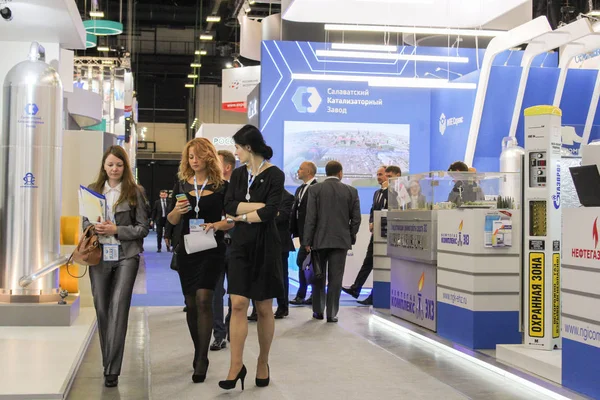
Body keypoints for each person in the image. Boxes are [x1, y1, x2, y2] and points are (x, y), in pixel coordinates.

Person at [220, 125, 285, 391]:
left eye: (237, 147)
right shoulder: (237, 175)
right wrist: (257, 208)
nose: (235, 153)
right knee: (237, 303)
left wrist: (242, 215)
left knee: (263, 308)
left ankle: (262, 361)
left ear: (248, 147)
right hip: (239, 245)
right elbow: (228, 205)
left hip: (266, 246)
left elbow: (271, 213)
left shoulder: (275, 175)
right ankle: (236, 365)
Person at [167, 138, 234, 384]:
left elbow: (233, 219)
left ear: (209, 157)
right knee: (191, 304)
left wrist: (217, 224)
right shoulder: (182, 185)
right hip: (187, 250)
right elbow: (172, 221)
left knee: (205, 298)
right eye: (190, 157)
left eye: (198, 156)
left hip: (212, 249)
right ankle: (198, 350)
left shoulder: (223, 187)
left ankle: (202, 358)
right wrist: (177, 211)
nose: (194, 161)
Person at [83, 145, 149, 388]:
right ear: (104, 165)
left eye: (119, 165)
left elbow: (143, 228)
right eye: (110, 164)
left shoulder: (135, 192)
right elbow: (84, 224)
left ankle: (112, 370)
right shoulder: (92, 190)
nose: (114, 169)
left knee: (118, 309)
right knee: (102, 308)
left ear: (125, 167)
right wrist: (94, 228)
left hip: (126, 256)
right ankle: (107, 360)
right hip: (99, 255)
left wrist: (116, 230)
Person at [302, 160, 361, 323]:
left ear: (326, 172)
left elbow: (310, 217)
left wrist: (307, 240)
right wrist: (349, 235)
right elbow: (356, 219)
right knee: (336, 278)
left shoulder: (315, 189)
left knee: (318, 276)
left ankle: (318, 311)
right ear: (340, 173)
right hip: (340, 241)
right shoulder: (352, 191)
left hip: (318, 241)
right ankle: (332, 313)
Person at [342, 165, 401, 305]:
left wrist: (388, 188)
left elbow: (394, 207)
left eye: (383, 175)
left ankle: (375, 295)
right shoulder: (377, 193)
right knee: (369, 261)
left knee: (383, 264)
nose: (380, 177)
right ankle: (356, 288)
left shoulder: (395, 192)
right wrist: (371, 222)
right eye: (379, 174)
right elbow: (373, 209)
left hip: (390, 234)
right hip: (377, 234)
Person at [211, 149, 236, 351]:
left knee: (236, 295)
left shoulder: (238, 191)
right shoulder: (208, 191)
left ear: (227, 167)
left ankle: (229, 328)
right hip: (216, 247)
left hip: (236, 248)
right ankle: (219, 334)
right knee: (216, 293)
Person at [289, 161, 318, 306]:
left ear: (309, 172)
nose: (298, 171)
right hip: (302, 234)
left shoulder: (317, 188)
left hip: (312, 236)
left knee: (310, 265)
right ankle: (302, 294)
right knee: (302, 263)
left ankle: (310, 295)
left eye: (301, 169)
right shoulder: (300, 189)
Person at [275, 190, 295, 318]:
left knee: (281, 276)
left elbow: (282, 216)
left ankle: (283, 307)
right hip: (262, 241)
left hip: (280, 243)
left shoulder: (287, 197)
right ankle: (257, 310)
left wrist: (264, 214)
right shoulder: (262, 194)